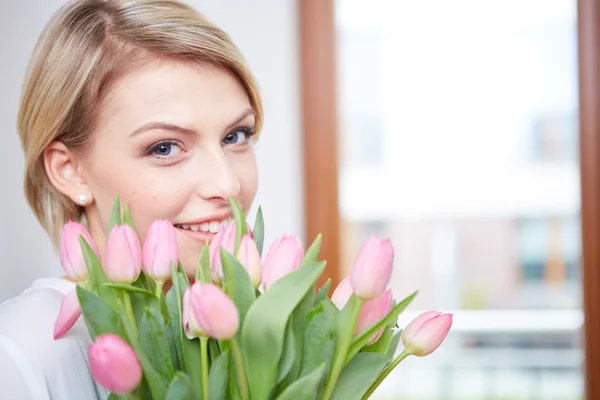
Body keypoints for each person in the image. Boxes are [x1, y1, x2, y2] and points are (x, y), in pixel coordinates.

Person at [0, 0, 263, 398]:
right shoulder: (21, 355)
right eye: (164, 148)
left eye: (235, 136)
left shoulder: (258, 340)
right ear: (70, 170)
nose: (227, 185)